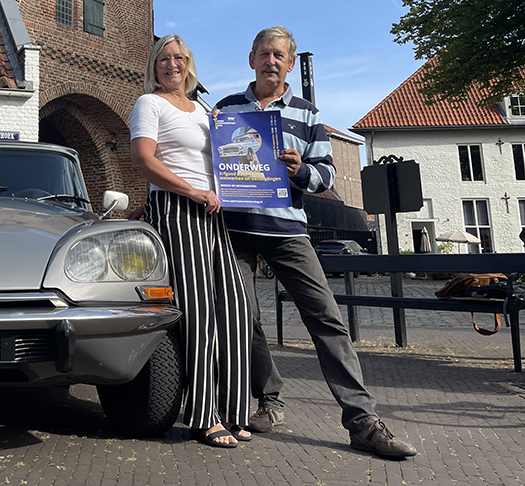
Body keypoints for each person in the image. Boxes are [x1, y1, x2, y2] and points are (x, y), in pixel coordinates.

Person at [214, 26, 418, 459]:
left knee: (326, 319)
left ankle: (361, 420)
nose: (272, 61)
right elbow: (209, 166)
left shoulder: (308, 114)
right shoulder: (225, 110)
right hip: (236, 231)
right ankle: (269, 400)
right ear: (251, 59)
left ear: (290, 64)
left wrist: (298, 170)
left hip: (288, 230)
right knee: (244, 318)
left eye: (279, 55)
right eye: (264, 54)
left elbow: (327, 174)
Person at [128, 35, 251, 448]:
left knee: (234, 308)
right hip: (179, 209)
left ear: (190, 64)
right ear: (154, 66)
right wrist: (191, 192)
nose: (172, 65)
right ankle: (202, 415)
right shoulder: (150, 104)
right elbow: (144, 160)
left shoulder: (203, 109)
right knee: (198, 312)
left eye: (179, 58)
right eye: (164, 59)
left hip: (214, 212)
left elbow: (232, 158)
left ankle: (234, 409)